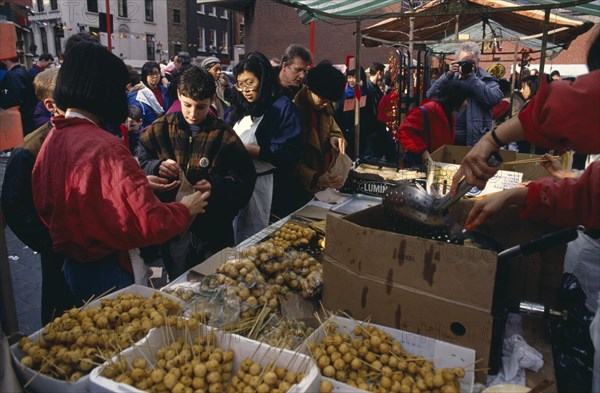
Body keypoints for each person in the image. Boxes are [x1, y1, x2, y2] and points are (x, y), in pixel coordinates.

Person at [31, 41, 210, 302]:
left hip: (75, 267)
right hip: (110, 267)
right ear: (104, 90)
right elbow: (143, 221)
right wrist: (185, 209)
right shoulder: (104, 145)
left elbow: (61, 200)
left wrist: (138, 184)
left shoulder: (54, 137)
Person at [136, 65, 256, 278]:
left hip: (214, 230)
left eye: (200, 107)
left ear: (211, 99)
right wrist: (155, 166)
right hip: (175, 230)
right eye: (187, 105)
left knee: (218, 283)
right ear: (179, 96)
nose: (193, 114)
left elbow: (245, 178)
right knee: (178, 284)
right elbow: (140, 160)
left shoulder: (223, 134)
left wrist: (216, 186)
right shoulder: (160, 128)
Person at [1, 66, 75, 324]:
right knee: (61, 311)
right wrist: (51, 242)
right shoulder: (29, 149)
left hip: (81, 246)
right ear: (51, 105)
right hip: (58, 249)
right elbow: (15, 208)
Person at [227, 52, 303, 243]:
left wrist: (250, 150)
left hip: (269, 189)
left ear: (263, 80)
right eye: (240, 84)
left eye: (250, 83)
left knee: (262, 243)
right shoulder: (240, 107)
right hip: (240, 187)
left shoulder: (283, 108)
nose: (245, 90)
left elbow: (290, 153)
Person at [290, 62, 347, 212]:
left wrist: (334, 140)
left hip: (320, 188)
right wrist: (314, 177)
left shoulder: (324, 110)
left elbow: (334, 131)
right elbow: (290, 160)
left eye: (329, 101)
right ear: (309, 89)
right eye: (322, 99)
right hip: (298, 190)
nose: (325, 104)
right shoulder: (293, 113)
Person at [426, 41, 502, 147]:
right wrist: (448, 75)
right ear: (457, 62)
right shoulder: (451, 77)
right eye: (464, 62)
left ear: (478, 61)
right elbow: (430, 95)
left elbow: (494, 99)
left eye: (472, 62)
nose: (468, 66)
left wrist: (472, 79)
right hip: (449, 136)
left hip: (477, 140)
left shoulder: (486, 79)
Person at [397, 79, 470, 165]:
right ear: (456, 98)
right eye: (465, 99)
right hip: (422, 165)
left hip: (436, 164)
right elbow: (404, 131)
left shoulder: (449, 114)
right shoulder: (428, 110)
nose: (466, 103)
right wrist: (423, 151)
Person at [0, 56, 36, 135]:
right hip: (28, 119)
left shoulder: (13, 76)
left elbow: (14, 102)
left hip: (21, 123)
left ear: (5, 59)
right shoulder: (24, 72)